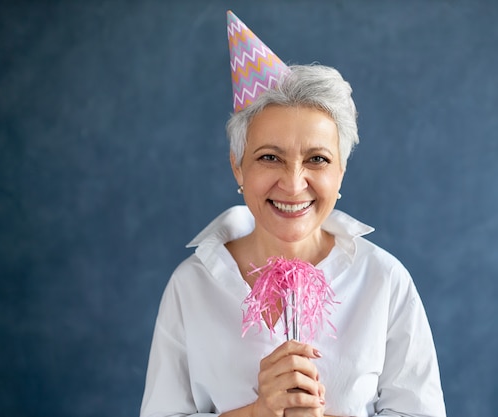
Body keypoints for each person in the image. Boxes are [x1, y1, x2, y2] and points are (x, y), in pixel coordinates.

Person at [140, 11, 446, 417]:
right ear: (238, 165)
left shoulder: (385, 282)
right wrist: (259, 411)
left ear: (341, 171)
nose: (293, 183)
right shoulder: (191, 287)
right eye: (270, 157)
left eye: (317, 159)